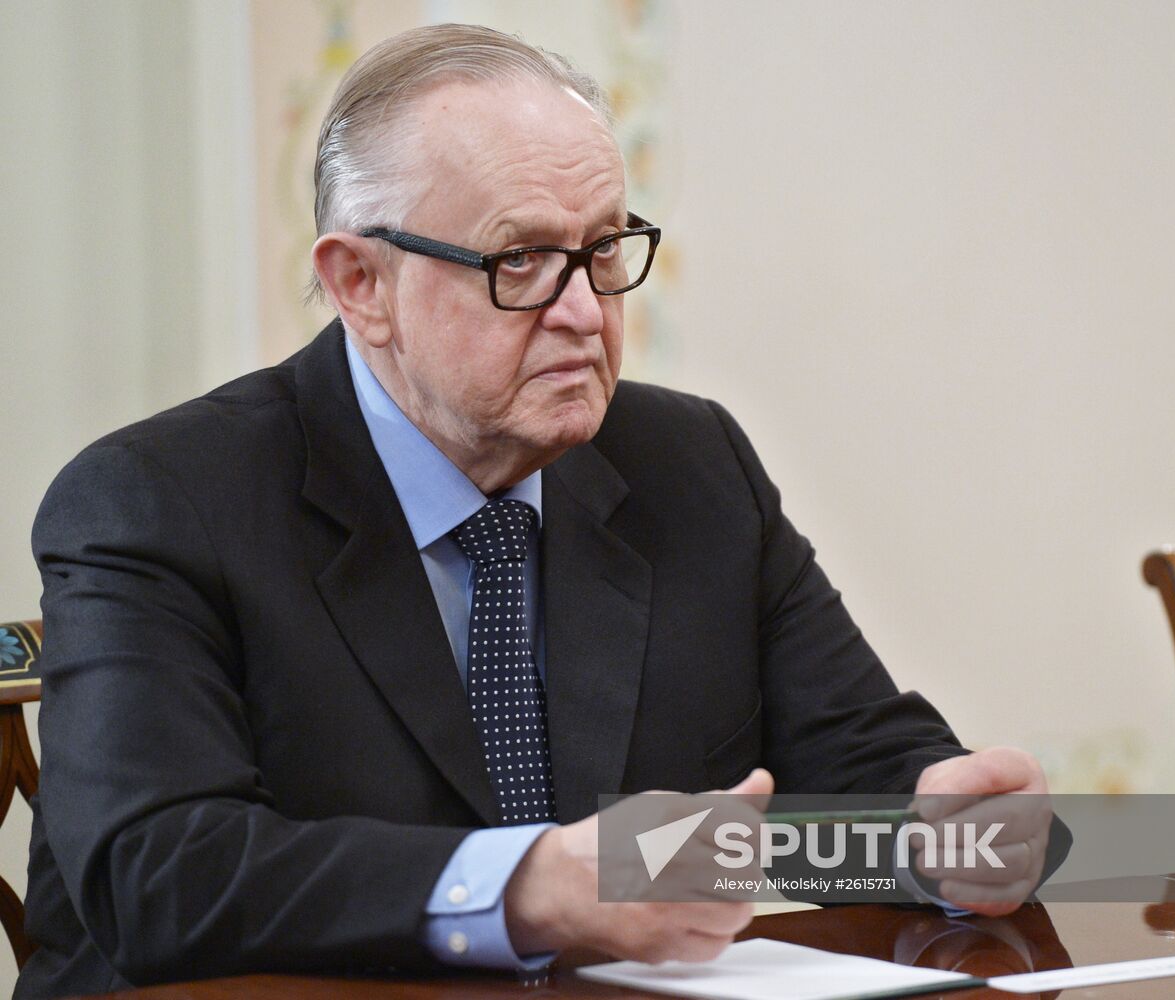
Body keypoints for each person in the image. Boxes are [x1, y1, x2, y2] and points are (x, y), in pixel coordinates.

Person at [16, 23, 1051, 999]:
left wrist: (946, 841)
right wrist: (529, 885)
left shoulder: (691, 465)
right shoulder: (159, 499)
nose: (584, 312)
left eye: (603, 251)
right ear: (360, 283)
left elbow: (855, 777)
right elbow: (160, 874)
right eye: (520, 260)